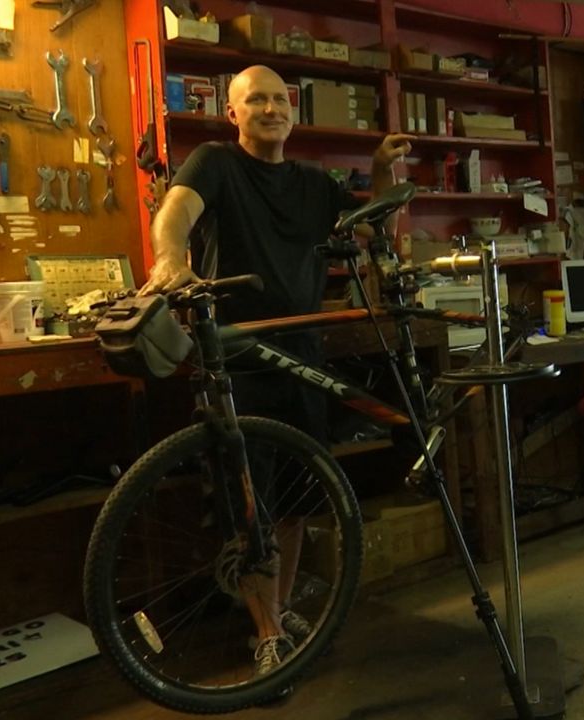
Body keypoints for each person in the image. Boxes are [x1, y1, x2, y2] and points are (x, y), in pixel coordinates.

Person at [141, 64, 413, 676]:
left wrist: (380, 172)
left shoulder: (314, 184)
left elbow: (374, 229)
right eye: (255, 100)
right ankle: (266, 634)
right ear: (232, 113)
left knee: (293, 500)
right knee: (248, 509)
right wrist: (169, 258)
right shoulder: (214, 163)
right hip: (235, 361)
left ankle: (279, 611)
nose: (270, 109)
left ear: (292, 112)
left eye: (279, 100)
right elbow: (175, 212)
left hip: (301, 354)